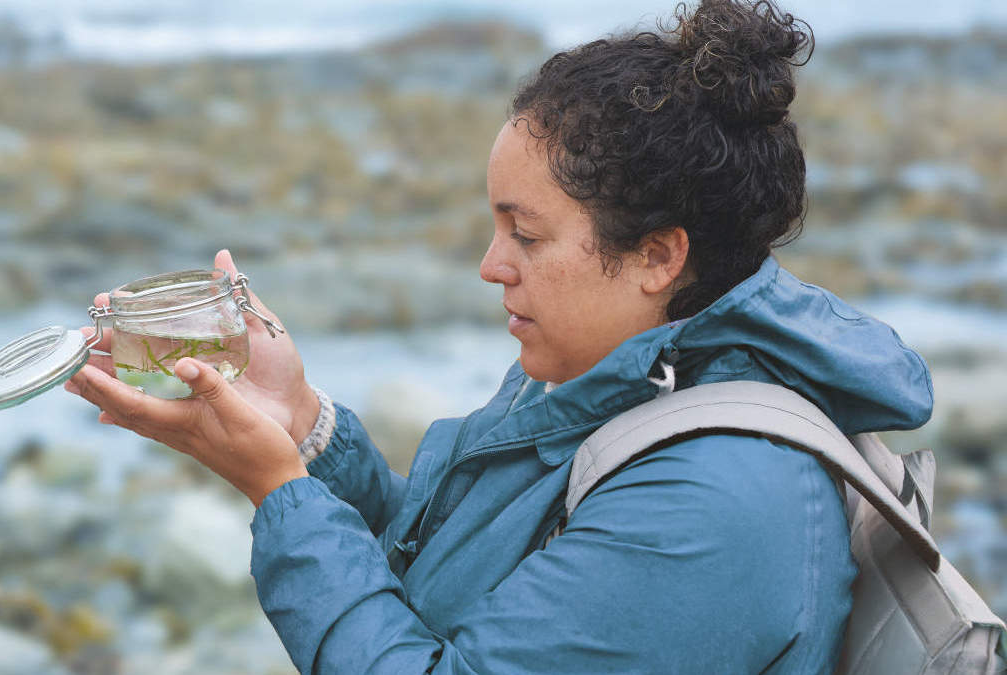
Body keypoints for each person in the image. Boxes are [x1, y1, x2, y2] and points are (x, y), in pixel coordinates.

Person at [65, 0, 934, 672]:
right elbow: (463, 576)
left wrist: (277, 491)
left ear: (658, 255)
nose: (490, 265)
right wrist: (304, 429)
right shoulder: (610, 375)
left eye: (527, 234)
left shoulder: (719, 500)